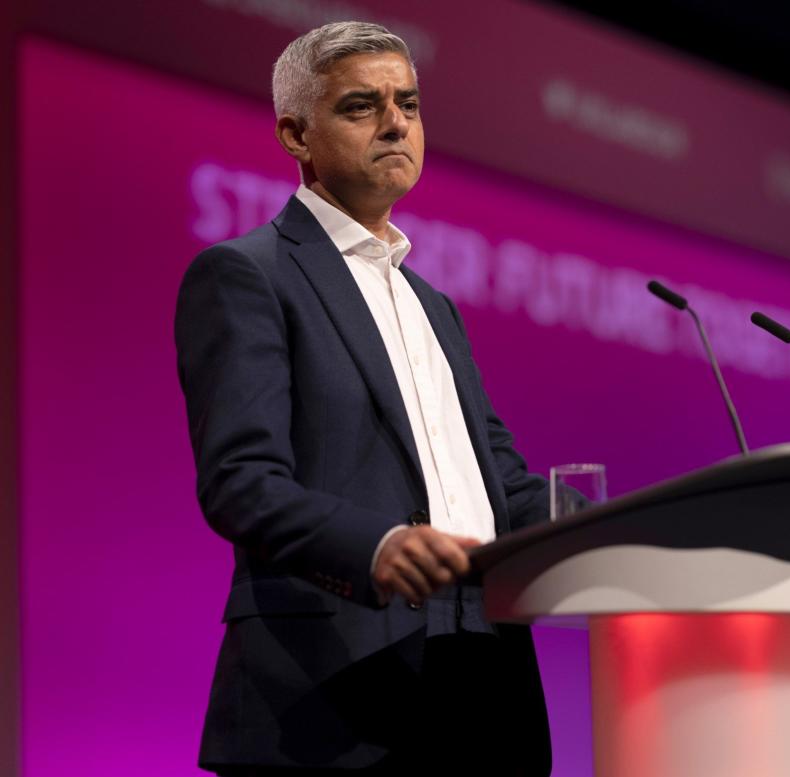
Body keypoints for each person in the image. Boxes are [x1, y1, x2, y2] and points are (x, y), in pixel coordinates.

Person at [174, 21, 552, 775]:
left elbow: (499, 483)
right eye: (360, 106)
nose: (395, 123)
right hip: (334, 686)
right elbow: (241, 482)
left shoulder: (433, 302)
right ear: (295, 133)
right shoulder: (247, 274)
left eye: (408, 104)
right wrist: (375, 547)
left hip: (484, 681)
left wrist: (632, 527)